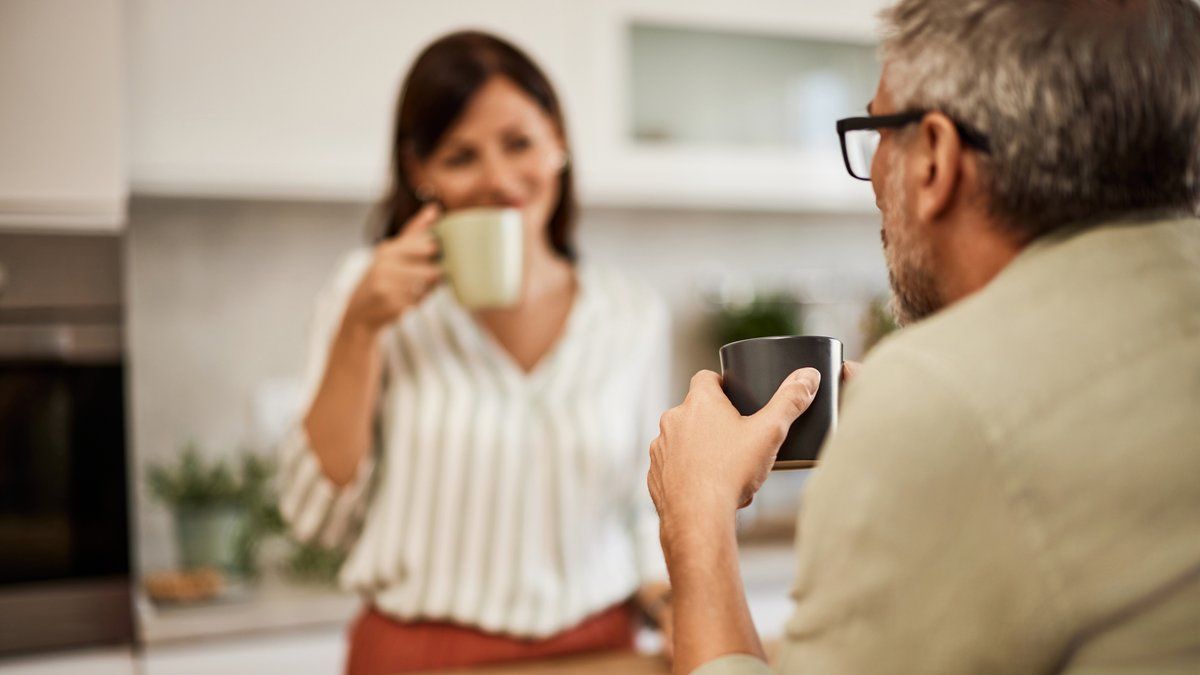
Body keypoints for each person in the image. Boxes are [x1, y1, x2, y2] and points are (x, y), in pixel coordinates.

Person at [647, 0, 1200, 673]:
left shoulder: (938, 395)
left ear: (935, 155)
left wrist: (695, 518)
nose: (875, 175)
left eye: (878, 127)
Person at [278, 31, 673, 674]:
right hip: (420, 658)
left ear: (559, 143)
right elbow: (312, 517)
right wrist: (361, 328)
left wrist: (669, 601)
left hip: (599, 654)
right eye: (461, 156)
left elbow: (640, 505)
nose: (498, 180)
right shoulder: (364, 295)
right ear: (420, 172)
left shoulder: (632, 313)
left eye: (519, 143)